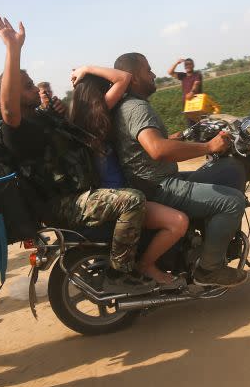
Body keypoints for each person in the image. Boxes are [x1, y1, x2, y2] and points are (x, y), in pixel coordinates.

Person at [0, 15, 151, 291]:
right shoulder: (14, 129)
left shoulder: (42, 118)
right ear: (14, 94)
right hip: (63, 203)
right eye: (27, 86)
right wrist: (12, 49)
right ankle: (118, 275)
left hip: (78, 192)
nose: (36, 89)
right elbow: (8, 111)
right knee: (132, 201)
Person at [114, 52, 248, 287]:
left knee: (225, 170)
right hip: (158, 186)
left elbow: (147, 143)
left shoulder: (128, 106)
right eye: (148, 70)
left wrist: (181, 136)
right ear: (133, 78)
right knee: (232, 202)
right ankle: (209, 269)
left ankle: (205, 244)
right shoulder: (136, 108)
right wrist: (208, 146)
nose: (154, 74)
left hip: (155, 179)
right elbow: (156, 149)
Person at [69, 66, 189, 289]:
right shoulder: (95, 118)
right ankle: (146, 266)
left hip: (116, 196)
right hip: (120, 201)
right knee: (177, 222)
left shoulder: (84, 122)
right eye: (105, 88)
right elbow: (125, 77)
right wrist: (87, 68)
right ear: (97, 95)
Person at [168, 57, 203, 126]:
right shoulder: (183, 76)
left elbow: (196, 84)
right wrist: (177, 63)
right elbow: (170, 72)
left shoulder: (197, 74)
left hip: (197, 103)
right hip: (187, 105)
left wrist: (192, 92)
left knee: (201, 124)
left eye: (190, 64)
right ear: (184, 66)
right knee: (191, 126)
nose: (188, 66)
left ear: (193, 65)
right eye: (186, 64)